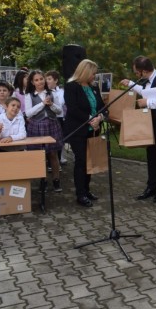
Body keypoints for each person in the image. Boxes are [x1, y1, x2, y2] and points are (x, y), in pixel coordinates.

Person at [120, 56, 156, 203]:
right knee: (151, 155)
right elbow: (144, 91)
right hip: (150, 122)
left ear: (143, 71)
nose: (136, 75)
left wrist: (147, 102)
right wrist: (131, 84)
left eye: (136, 73)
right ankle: (151, 186)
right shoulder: (147, 81)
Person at [64, 59, 107, 207]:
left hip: (93, 130)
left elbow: (102, 107)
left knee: (90, 161)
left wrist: (100, 117)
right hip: (78, 130)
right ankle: (80, 194)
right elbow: (73, 109)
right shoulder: (71, 87)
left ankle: (87, 190)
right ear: (85, 72)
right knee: (81, 161)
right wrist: (90, 119)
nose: (94, 77)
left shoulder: (94, 87)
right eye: (93, 73)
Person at [25, 70, 64, 194]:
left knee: (53, 154)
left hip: (52, 124)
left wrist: (51, 104)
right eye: (36, 80)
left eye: (41, 79)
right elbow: (28, 113)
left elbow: (59, 111)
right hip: (36, 126)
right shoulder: (29, 96)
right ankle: (43, 181)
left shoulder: (52, 93)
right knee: (41, 156)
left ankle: (56, 180)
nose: (40, 81)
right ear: (32, 82)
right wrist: (42, 104)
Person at [45, 70, 67, 165]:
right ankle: (49, 161)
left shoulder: (62, 91)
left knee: (59, 140)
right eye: (46, 79)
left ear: (56, 80)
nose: (47, 81)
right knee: (49, 141)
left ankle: (59, 159)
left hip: (60, 118)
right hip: (50, 118)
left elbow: (64, 104)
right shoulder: (46, 92)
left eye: (49, 79)